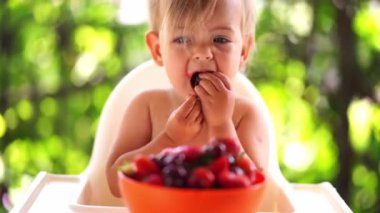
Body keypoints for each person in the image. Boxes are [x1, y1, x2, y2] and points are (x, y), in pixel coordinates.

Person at [106, 0, 269, 197]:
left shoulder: (246, 115)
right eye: (182, 39)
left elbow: (254, 188)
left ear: (243, 50)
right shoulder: (146, 107)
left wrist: (221, 125)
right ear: (158, 50)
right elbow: (115, 182)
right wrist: (169, 139)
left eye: (220, 39)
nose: (202, 53)